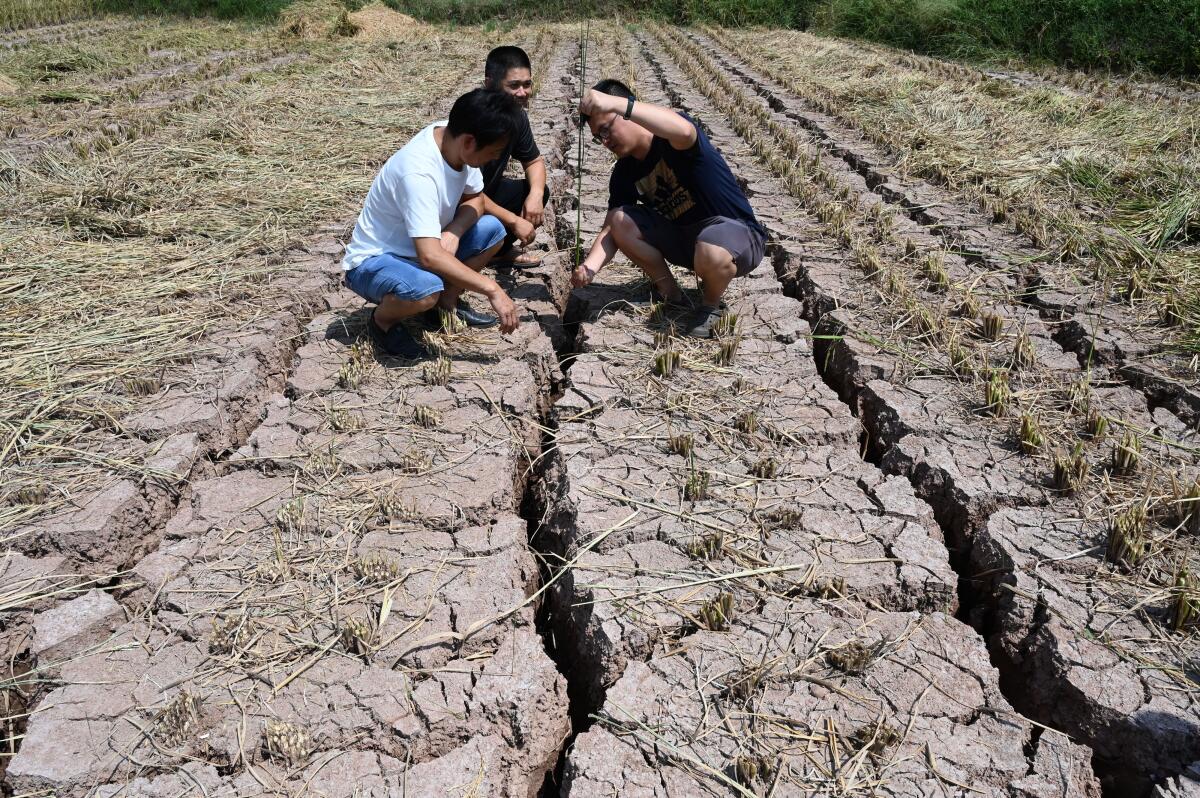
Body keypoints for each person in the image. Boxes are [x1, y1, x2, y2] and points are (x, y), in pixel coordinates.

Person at [573, 79, 767, 338]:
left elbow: (685, 132)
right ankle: (671, 295)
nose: (605, 141)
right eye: (599, 137)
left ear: (627, 112)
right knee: (620, 218)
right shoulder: (624, 172)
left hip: (735, 236)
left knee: (711, 248)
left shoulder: (670, 138)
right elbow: (611, 229)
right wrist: (589, 268)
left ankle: (710, 306)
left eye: (606, 129)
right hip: (687, 242)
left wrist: (614, 103)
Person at [342, 88, 524, 358]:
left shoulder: (453, 140)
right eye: (494, 152)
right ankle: (383, 322)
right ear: (470, 142)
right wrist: (492, 289)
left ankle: (444, 304)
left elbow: (476, 200)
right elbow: (429, 256)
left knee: (493, 230)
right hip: (376, 261)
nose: (495, 159)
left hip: (426, 247)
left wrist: (454, 230)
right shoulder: (417, 172)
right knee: (425, 289)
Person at [479, 45, 548, 268]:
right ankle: (471, 255)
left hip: (484, 195)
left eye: (527, 84)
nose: (522, 92)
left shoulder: (517, 116)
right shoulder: (474, 118)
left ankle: (498, 252)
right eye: (514, 86)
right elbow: (465, 193)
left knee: (536, 189)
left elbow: (534, 161)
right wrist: (514, 220)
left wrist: (535, 195)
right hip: (458, 207)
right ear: (490, 84)